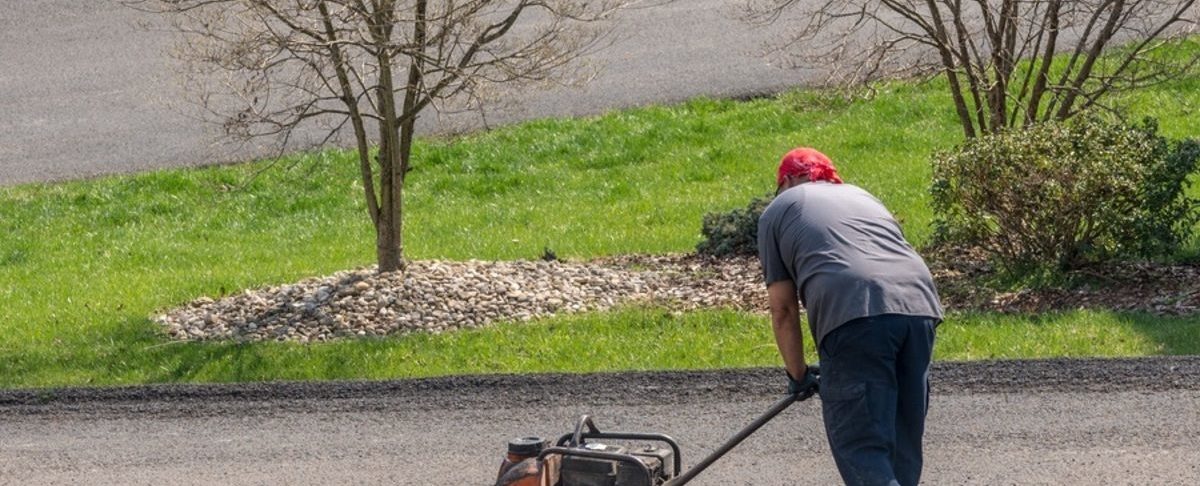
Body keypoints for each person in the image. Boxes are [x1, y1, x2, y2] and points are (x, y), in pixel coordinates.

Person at [757, 147, 943, 486]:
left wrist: (797, 374)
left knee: (863, 447)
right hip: (920, 307)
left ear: (790, 179)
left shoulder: (778, 210)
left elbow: (782, 309)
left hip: (856, 310)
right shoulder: (863, 196)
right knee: (902, 444)